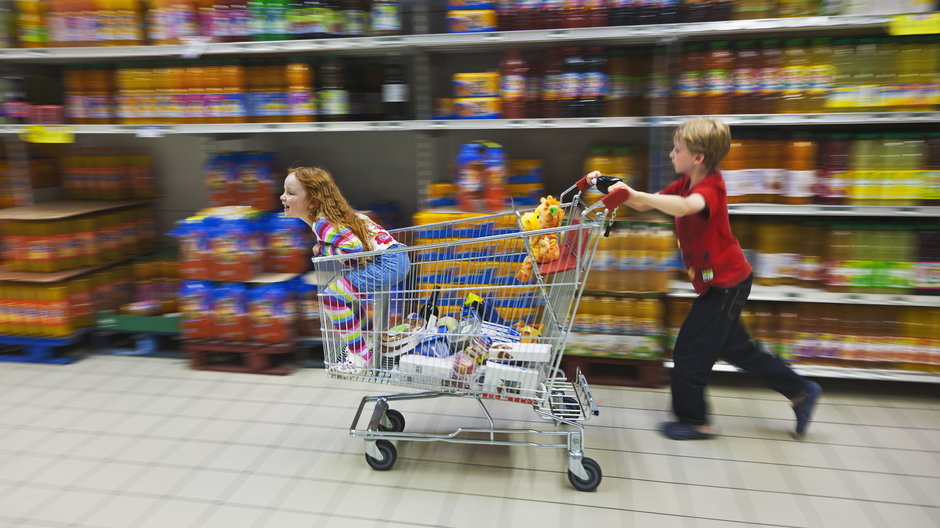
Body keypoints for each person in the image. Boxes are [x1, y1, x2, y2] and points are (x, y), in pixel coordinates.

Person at [585, 117, 821, 440]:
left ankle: (696, 421)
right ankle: (801, 391)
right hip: (723, 281)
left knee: (689, 351)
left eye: (677, 149)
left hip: (726, 286)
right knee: (739, 350)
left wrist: (634, 193)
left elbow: (684, 208)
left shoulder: (709, 187)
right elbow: (641, 201)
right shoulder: (686, 182)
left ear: (698, 157)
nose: (671, 154)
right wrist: (608, 184)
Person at [281, 166, 410, 369]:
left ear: (313, 201)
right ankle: (368, 339)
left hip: (387, 263)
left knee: (332, 298)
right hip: (393, 256)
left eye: (290, 193)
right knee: (344, 296)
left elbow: (353, 249)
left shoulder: (323, 223)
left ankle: (360, 356)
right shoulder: (335, 215)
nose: (282, 197)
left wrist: (323, 250)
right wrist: (323, 246)